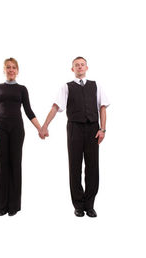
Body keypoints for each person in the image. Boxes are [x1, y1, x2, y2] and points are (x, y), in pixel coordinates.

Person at [40, 57, 109, 218]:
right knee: (75, 167)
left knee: (93, 167)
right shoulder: (66, 87)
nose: (79, 67)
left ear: (87, 67)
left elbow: (103, 108)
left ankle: (90, 204)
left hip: (93, 128)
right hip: (74, 128)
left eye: (82, 64)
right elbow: (56, 107)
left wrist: (103, 129)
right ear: (72, 69)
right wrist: (44, 126)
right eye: (76, 65)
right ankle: (78, 205)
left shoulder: (96, 85)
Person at [0, 58, 43, 216]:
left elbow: (28, 111)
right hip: (1, 129)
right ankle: (2, 206)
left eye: (14, 68)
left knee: (15, 165)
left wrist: (40, 128)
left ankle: (13, 206)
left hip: (17, 129)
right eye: (8, 67)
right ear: (4, 70)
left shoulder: (22, 89)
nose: (11, 70)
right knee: (2, 165)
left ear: (17, 71)